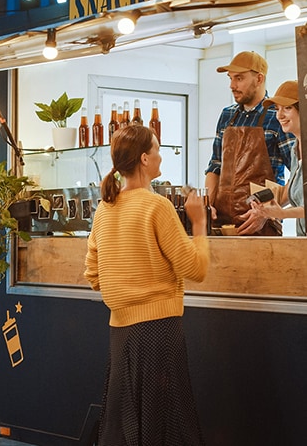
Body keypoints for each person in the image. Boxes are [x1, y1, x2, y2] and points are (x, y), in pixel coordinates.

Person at [85, 125, 209, 445]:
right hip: (159, 329)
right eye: (156, 148)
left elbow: (92, 274)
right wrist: (199, 224)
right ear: (144, 158)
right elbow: (195, 268)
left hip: (120, 332)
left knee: (124, 423)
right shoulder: (157, 206)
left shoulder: (104, 208)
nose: (160, 154)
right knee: (164, 423)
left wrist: (123, 286)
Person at [205, 51, 295, 235]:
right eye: (230, 79)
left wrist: (267, 212)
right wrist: (207, 205)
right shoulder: (227, 115)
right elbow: (215, 167)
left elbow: (298, 177)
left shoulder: (278, 117)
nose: (232, 85)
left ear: (259, 79)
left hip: (261, 226)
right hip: (222, 224)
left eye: (239, 78)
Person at [240, 80, 305, 236]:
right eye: (277, 109)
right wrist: (266, 211)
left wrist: (280, 213)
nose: (279, 115)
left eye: (287, 108)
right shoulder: (295, 149)